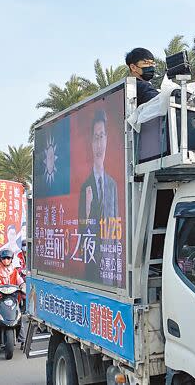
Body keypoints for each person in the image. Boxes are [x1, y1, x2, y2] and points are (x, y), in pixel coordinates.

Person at [78, 109, 119, 284]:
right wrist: (87, 211)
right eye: (96, 137)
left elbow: (116, 230)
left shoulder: (113, 185)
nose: (99, 143)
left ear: (107, 140)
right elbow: (81, 234)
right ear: (91, 143)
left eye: (102, 136)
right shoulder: (84, 187)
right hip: (92, 268)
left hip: (110, 268)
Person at [0, 249, 25, 344]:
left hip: (12, 298)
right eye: (4, 258)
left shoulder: (14, 272)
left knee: (18, 314)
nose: (6, 260)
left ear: (11, 259)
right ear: (0, 259)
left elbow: (20, 281)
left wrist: (23, 286)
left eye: (8, 258)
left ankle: (23, 340)